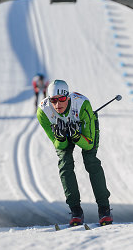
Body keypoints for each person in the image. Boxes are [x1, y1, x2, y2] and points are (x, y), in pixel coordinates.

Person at [36, 80, 113, 226]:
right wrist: (60, 138)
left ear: (68, 97)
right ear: (48, 100)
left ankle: (104, 209)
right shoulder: (43, 112)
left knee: (91, 161)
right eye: (53, 100)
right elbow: (59, 145)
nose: (58, 105)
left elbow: (89, 144)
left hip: (84, 131)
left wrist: (77, 136)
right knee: (65, 163)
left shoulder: (82, 104)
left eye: (62, 99)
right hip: (64, 134)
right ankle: (76, 210)